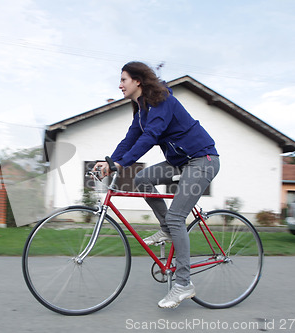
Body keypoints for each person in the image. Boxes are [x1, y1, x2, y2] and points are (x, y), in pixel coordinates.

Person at [94, 61, 220, 309]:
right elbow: (130, 139)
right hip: (180, 161)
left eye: (123, 80)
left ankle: (184, 283)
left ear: (137, 81)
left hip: (202, 160)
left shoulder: (162, 101)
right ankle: (167, 228)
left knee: (177, 217)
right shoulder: (141, 110)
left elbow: (150, 137)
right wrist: (110, 161)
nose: (120, 85)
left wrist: (121, 164)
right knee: (141, 179)